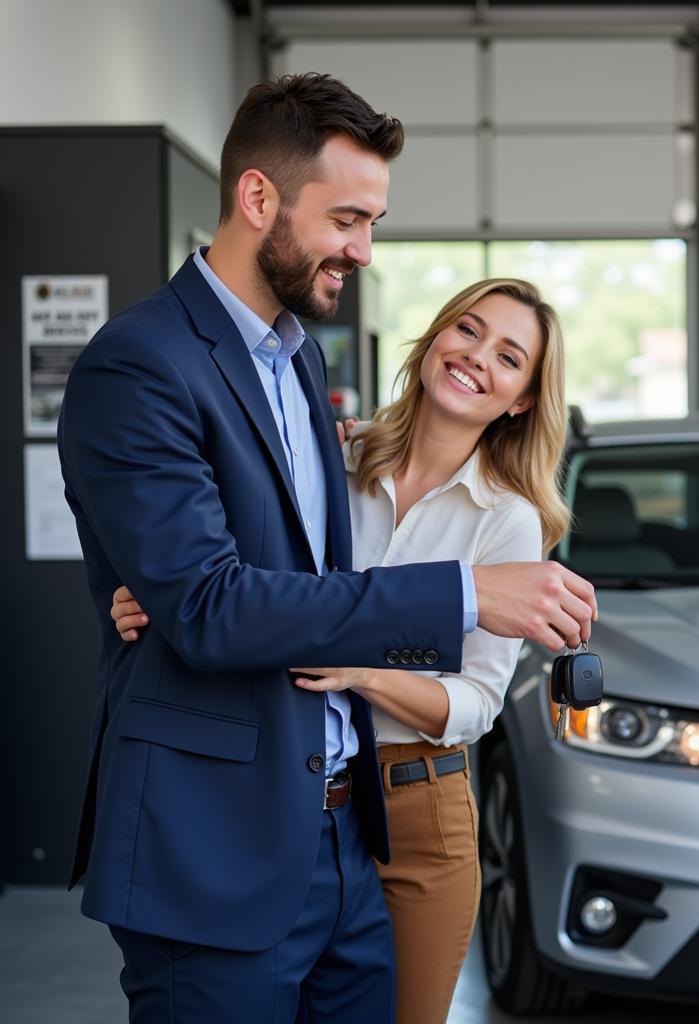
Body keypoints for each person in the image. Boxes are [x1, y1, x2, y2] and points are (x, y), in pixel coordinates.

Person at [57, 73, 595, 1024]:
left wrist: (184, 593)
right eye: (348, 218)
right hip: (216, 845)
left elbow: (280, 572)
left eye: (373, 222)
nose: (364, 249)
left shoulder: (299, 357)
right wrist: (466, 595)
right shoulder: (140, 362)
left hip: (349, 835)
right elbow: (212, 605)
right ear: (258, 197)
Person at [113, 275, 570, 1024]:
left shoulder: (509, 522)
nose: (477, 356)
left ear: (521, 398)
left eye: (509, 356)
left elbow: (476, 703)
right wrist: (149, 594)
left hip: (420, 805)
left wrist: (361, 670)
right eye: (468, 330)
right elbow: (229, 576)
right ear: (433, 342)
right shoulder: (334, 458)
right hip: (306, 790)